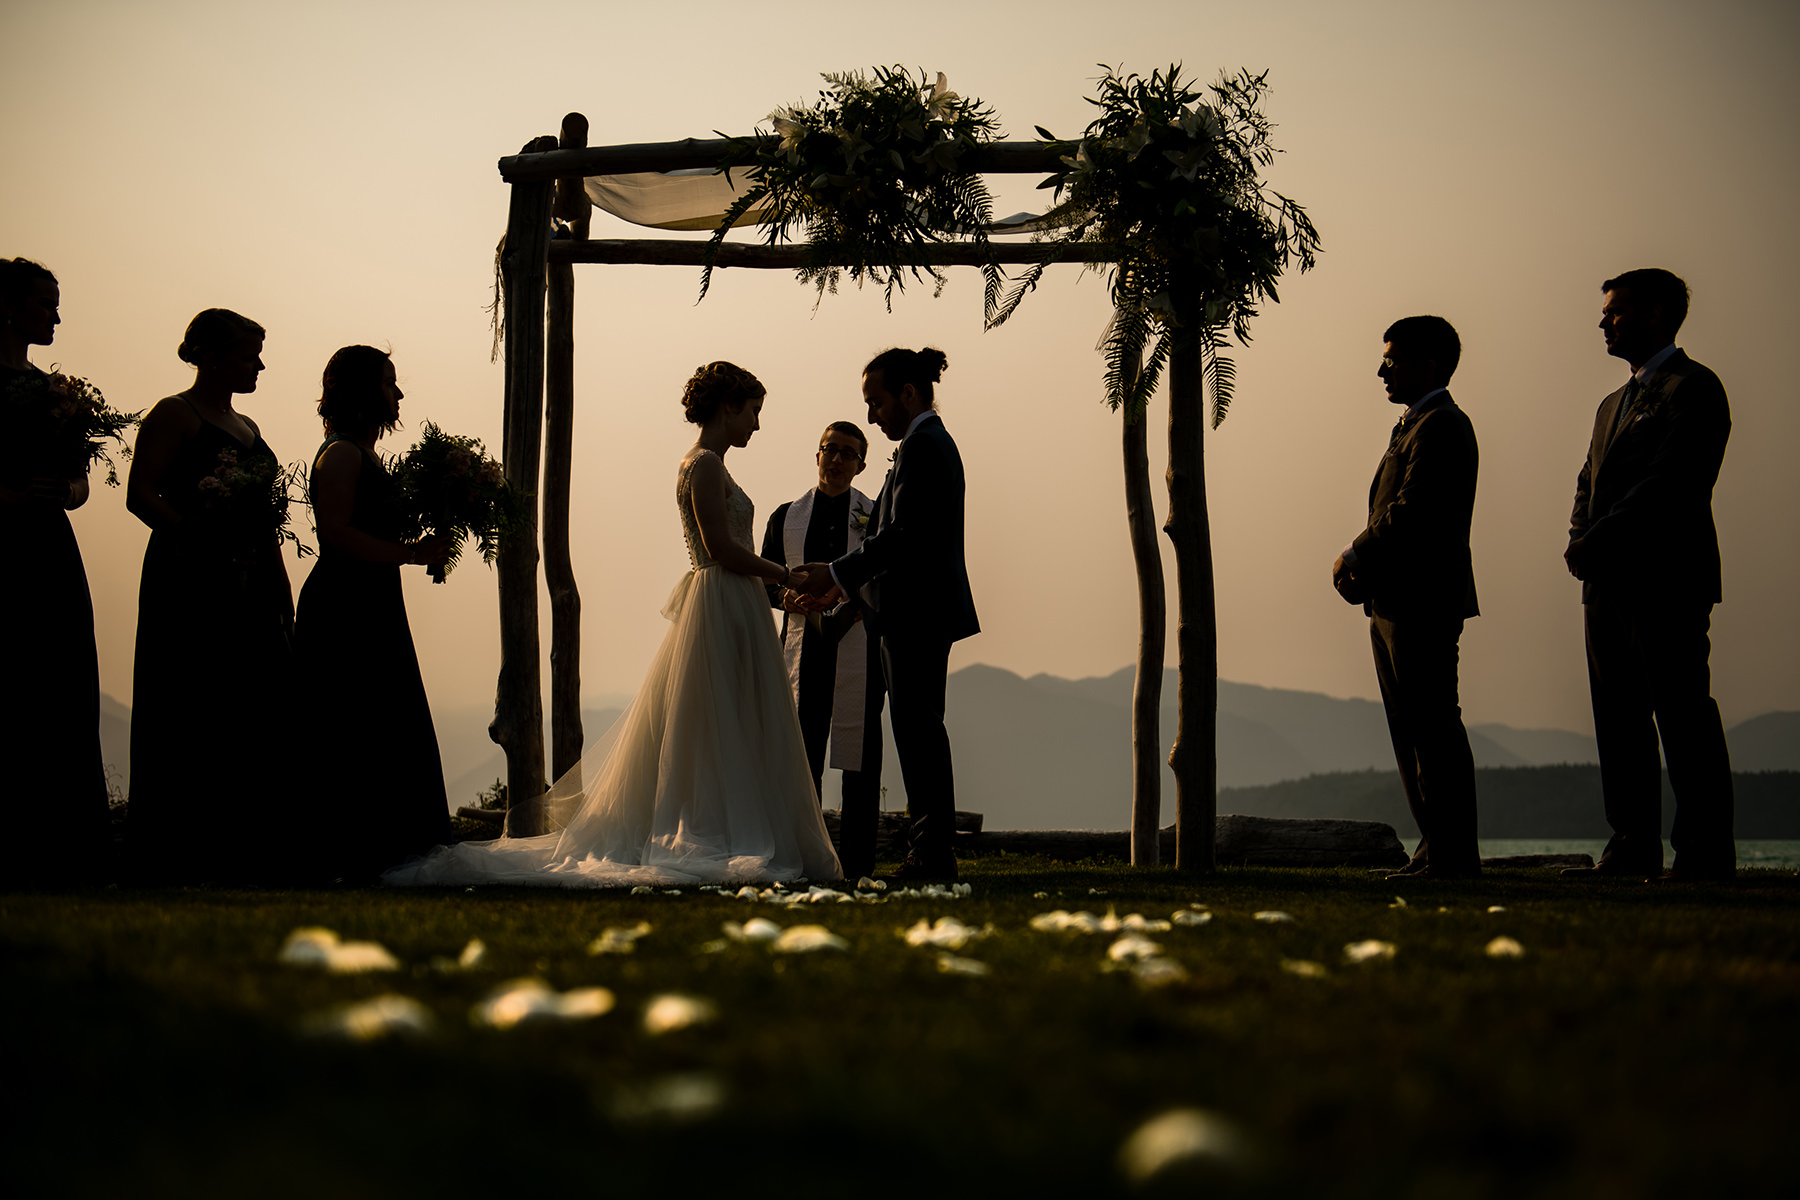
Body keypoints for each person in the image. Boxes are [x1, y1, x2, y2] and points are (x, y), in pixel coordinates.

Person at [386, 361, 841, 887]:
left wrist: (775, 585)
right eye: (754, 412)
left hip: (731, 600)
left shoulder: (704, 463)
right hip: (720, 600)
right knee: (723, 720)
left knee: (730, 720)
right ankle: (721, 831)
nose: (757, 425)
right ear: (728, 406)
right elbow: (718, 548)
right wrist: (785, 573)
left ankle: (733, 826)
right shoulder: (706, 464)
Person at [1562, 269, 1735, 882]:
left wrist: (1599, 538)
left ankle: (1704, 853)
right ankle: (1631, 845)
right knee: (1618, 720)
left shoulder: (1695, 389)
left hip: (1667, 579)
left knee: (1683, 716)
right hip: (1605, 584)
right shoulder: (1612, 403)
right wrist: (1580, 535)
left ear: (1656, 315)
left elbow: (1674, 483)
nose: (1604, 321)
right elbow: (1589, 479)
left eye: (1617, 311)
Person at [125, 308, 296, 881]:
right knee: (191, 699)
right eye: (250, 355)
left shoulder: (248, 426)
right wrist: (201, 540)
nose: (260, 365)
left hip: (251, 580)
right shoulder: (176, 414)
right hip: (190, 579)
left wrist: (278, 584)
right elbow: (142, 495)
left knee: (249, 704)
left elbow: (264, 516)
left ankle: (245, 843)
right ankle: (182, 846)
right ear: (214, 356)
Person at [797, 347, 978, 881]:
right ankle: (931, 853)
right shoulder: (922, 445)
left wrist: (834, 574)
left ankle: (931, 856)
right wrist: (844, 589)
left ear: (908, 394)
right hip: (907, 612)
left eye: (876, 402)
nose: (873, 415)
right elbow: (887, 535)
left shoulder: (924, 447)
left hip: (915, 613)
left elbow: (903, 537)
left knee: (918, 735)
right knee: (917, 733)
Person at [295, 346, 454, 880]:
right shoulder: (340, 455)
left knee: (381, 715)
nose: (399, 393)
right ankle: (349, 846)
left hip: (374, 600)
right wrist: (412, 552)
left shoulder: (364, 455)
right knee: (351, 718)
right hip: (345, 604)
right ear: (363, 392)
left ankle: (381, 838)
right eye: (389, 383)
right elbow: (337, 535)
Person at [1332, 316, 1481, 881]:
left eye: (1392, 360)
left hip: (1423, 602)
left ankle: (1450, 857)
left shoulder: (1442, 425)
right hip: (1395, 599)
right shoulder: (1416, 425)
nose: (1381, 370)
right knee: (1414, 731)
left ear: (1430, 365)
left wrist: (1354, 553)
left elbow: (1412, 512)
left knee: (1433, 728)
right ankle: (1436, 851)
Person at [0, 258, 110, 873]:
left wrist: (61, 493)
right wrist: (7, 498)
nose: (57, 316)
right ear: (7, 306)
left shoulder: (53, 393)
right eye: (46, 304)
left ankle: (57, 841)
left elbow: (82, 482)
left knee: (57, 678)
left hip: (46, 546)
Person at [761, 420, 886, 880]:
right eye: (829, 450)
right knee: (801, 753)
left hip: (858, 645)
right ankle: (801, 853)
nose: (836, 459)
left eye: (847, 453)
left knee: (860, 759)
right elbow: (767, 579)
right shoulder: (785, 516)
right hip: (801, 644)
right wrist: (787, 598)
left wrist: (854, 605)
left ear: (862, 464)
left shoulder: (874, 517)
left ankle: (857, 861)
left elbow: (882, 578)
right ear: (816, 456)